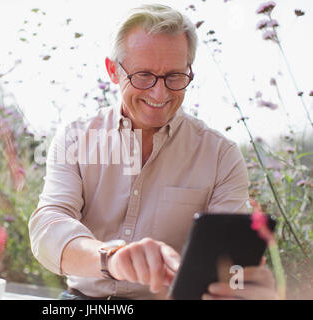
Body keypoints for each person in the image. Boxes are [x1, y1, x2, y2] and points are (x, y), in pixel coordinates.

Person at [29, 4, 279, 300]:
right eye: (143, 76)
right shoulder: (75, 139)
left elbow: (231, 260)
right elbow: (49, 227)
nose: (159, 94)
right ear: (113, 70)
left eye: (174, 76)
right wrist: (113, 259)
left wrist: (243, 287)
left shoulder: (220, 155)